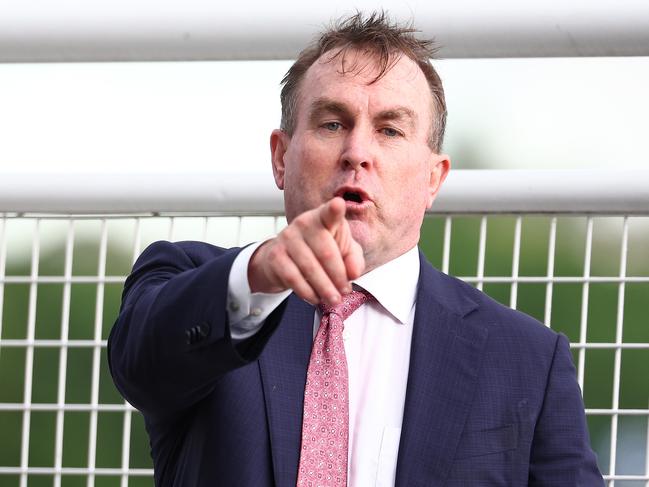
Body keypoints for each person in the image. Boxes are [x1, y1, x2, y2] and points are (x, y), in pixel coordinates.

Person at [108, 11, 604, 486]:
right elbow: (139, 366)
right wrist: (262, 275)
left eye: (390, 130)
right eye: (332, 123)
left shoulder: (526, 359)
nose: (357, 153)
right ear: (281, 158)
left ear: (434, 179)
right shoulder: (194, 279)